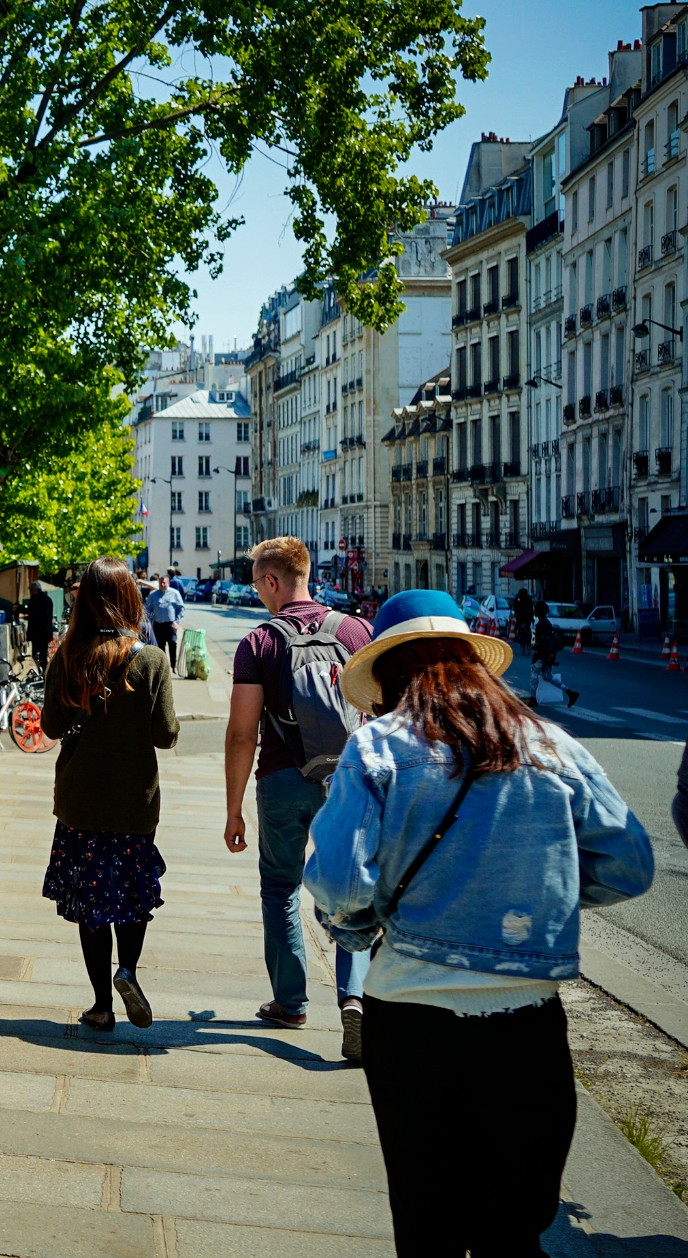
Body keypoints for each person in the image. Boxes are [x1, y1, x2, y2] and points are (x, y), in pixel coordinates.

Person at [306, 589, 652, 1257]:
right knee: (514, 1228)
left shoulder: (378, 746)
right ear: (474, 665)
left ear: (388, 676)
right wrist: (538, 892)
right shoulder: (550, 743)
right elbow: (629, 864)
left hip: (408, 1014)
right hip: (525, 1018)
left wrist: (357, 933)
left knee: (425, 1220)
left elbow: (344, 884)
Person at [223, 536, 374, 1059]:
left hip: (283, 779)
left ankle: (291, 1002)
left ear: (271, 580)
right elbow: (375, 715)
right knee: (352, 890)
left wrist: (233, 808)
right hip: (349, 783)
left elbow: (243, 734)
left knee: (281, 887)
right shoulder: (357, 631)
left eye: (257, 583)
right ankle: (353, 996)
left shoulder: (260, 642)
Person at [39, 557, 179, 1031]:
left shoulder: (68, 655)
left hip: (81, 803)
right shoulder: (152, 660)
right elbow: (165, 735)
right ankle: (129, 971)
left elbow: (50, 727)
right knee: (132, 897)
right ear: (131, 600)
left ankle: (101, 1006)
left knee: (90, 905)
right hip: (133, 804)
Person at [528, 609, 578, 708]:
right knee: (547, 676)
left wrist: (533, 632)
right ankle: (570, 692)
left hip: (541, 655)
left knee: (534, 675)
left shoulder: (539, 625)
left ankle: (533, 699)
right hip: (548, 654)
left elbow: (538, 642)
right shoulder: (547, 623)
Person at [144, 573, 185, 669]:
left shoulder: (175, 593)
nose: (162, 585)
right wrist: (149, 622)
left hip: (170, 624)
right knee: (160, 647)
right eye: (161, 583)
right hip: (158, 625)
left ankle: (173, 664)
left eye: (164, 583)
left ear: (168, 583)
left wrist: (177, 621)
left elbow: (181, 608)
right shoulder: (153, 595)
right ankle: (163, 666)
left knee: (173, 643)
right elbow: (148, 609)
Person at [511, 586, 534, 652]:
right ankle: (531, 642)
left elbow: (515, 607)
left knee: (524, 629)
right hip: (524, 616)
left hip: (523, 616)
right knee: (529, 629)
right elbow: (531, 608)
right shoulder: (526, 598)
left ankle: (522, 638)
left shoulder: (520, 598)